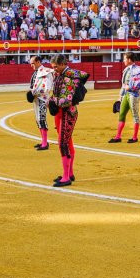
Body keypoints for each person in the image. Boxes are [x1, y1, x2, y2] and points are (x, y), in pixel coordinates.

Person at [48, 54, 89, 187]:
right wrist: (51, 100)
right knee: (67, 142)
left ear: (62, 64)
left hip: (67, 112)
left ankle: (66, 177)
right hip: (60, 113)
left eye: (55, 67)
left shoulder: (71, 75)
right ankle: (69, 173)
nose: (54, 69)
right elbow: (56, 93)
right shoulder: (59, 74)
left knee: (63, 144)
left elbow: (68, 99)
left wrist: (53, 102)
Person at [109, 52, 140, 143]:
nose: (124, 60)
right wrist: (120, 96)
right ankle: (118, 137)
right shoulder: (126, 69)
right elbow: (123, 85)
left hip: (133, 95)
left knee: (135, 115)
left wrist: (130, 88)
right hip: (126, 95)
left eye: (125, 59)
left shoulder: (138, 70)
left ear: (129, 60)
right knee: (121, 114)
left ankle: (134, 137)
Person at [27, 55, 54, 150]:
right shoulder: (36, 72)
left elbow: (47, 87)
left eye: (33, 63)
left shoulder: (46, 72)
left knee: (42, 119)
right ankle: (43, 141)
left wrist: (35, 93)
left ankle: (45, 143)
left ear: (38, 62)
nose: (31, 65)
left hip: (42, 99)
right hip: (36, 99)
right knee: (38, 120)